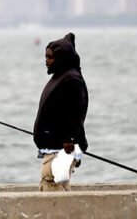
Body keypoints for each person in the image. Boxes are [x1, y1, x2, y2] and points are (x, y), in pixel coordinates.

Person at [33, 32, 89, 191]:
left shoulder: (72, 79)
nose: (46, 61)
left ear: (61, 59)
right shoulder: (62, 76)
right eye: (46, 56)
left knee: (50, 179)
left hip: (62, 147)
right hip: (54, 146)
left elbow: (76, 112)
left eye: (50, 57)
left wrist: (69, 139)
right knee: (59, 184)